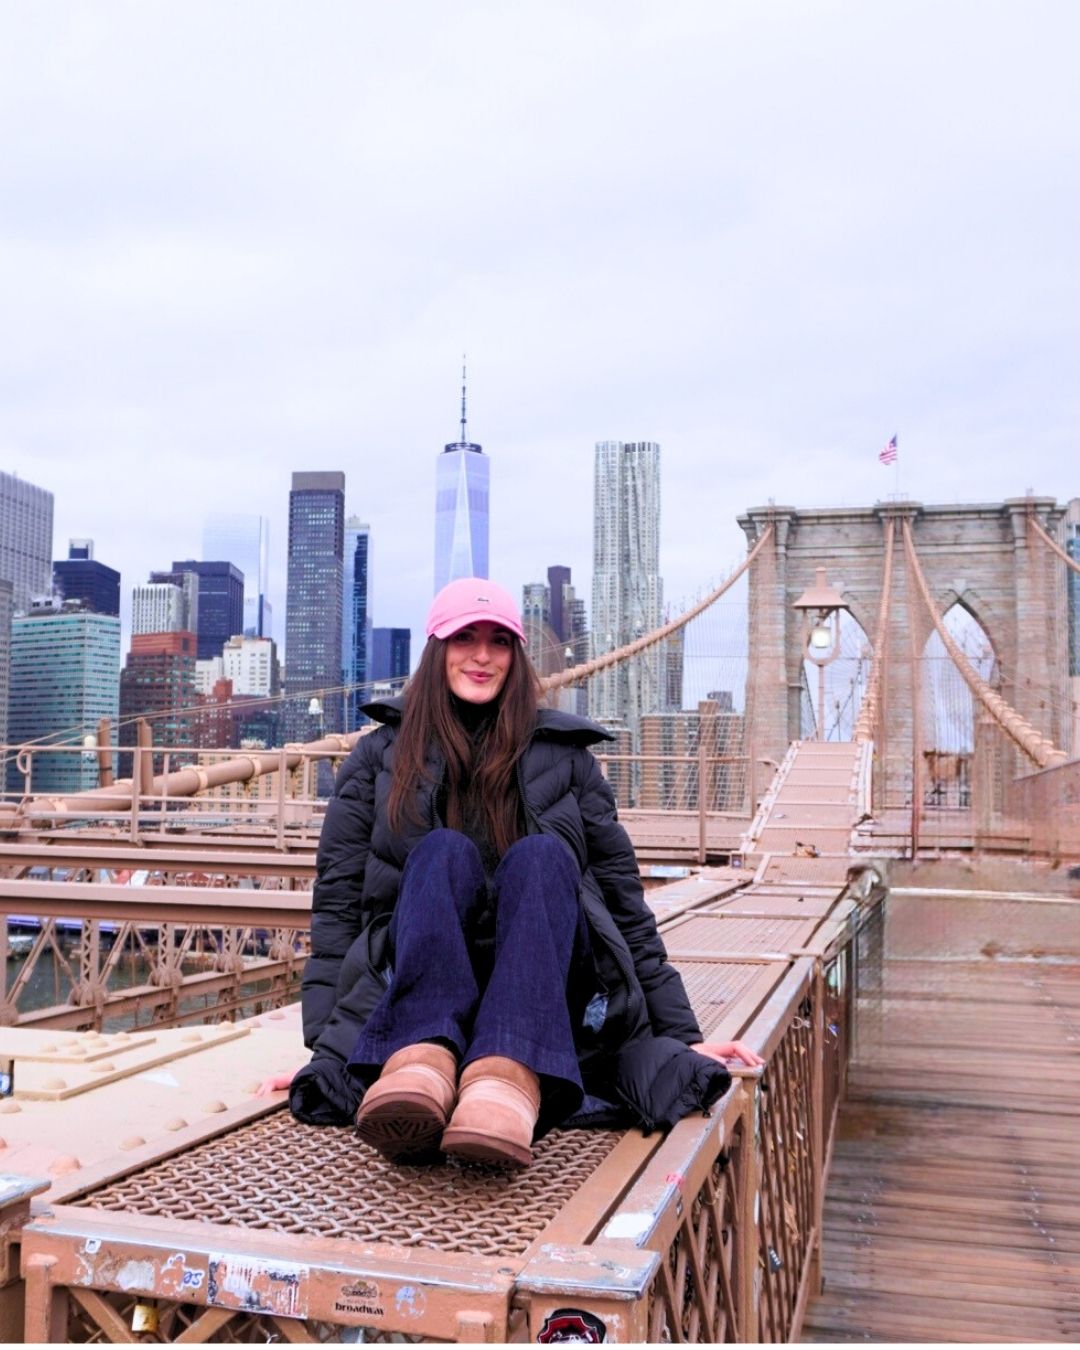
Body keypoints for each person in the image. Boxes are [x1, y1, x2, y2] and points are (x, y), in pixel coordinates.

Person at [260, 577, 762, 1169]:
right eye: (463, 638)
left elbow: (625, 906)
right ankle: (420, 1061)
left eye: (499, 641)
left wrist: (680, 1037)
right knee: (441, 851)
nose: (481, 655)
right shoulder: (376, 759)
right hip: (420, 981)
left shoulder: (569, 761)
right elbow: (340, 908)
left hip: (545, 992)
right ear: (435, 649)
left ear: (517, 655)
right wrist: (325, 1049)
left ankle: (509, 1075)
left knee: (544, 857)